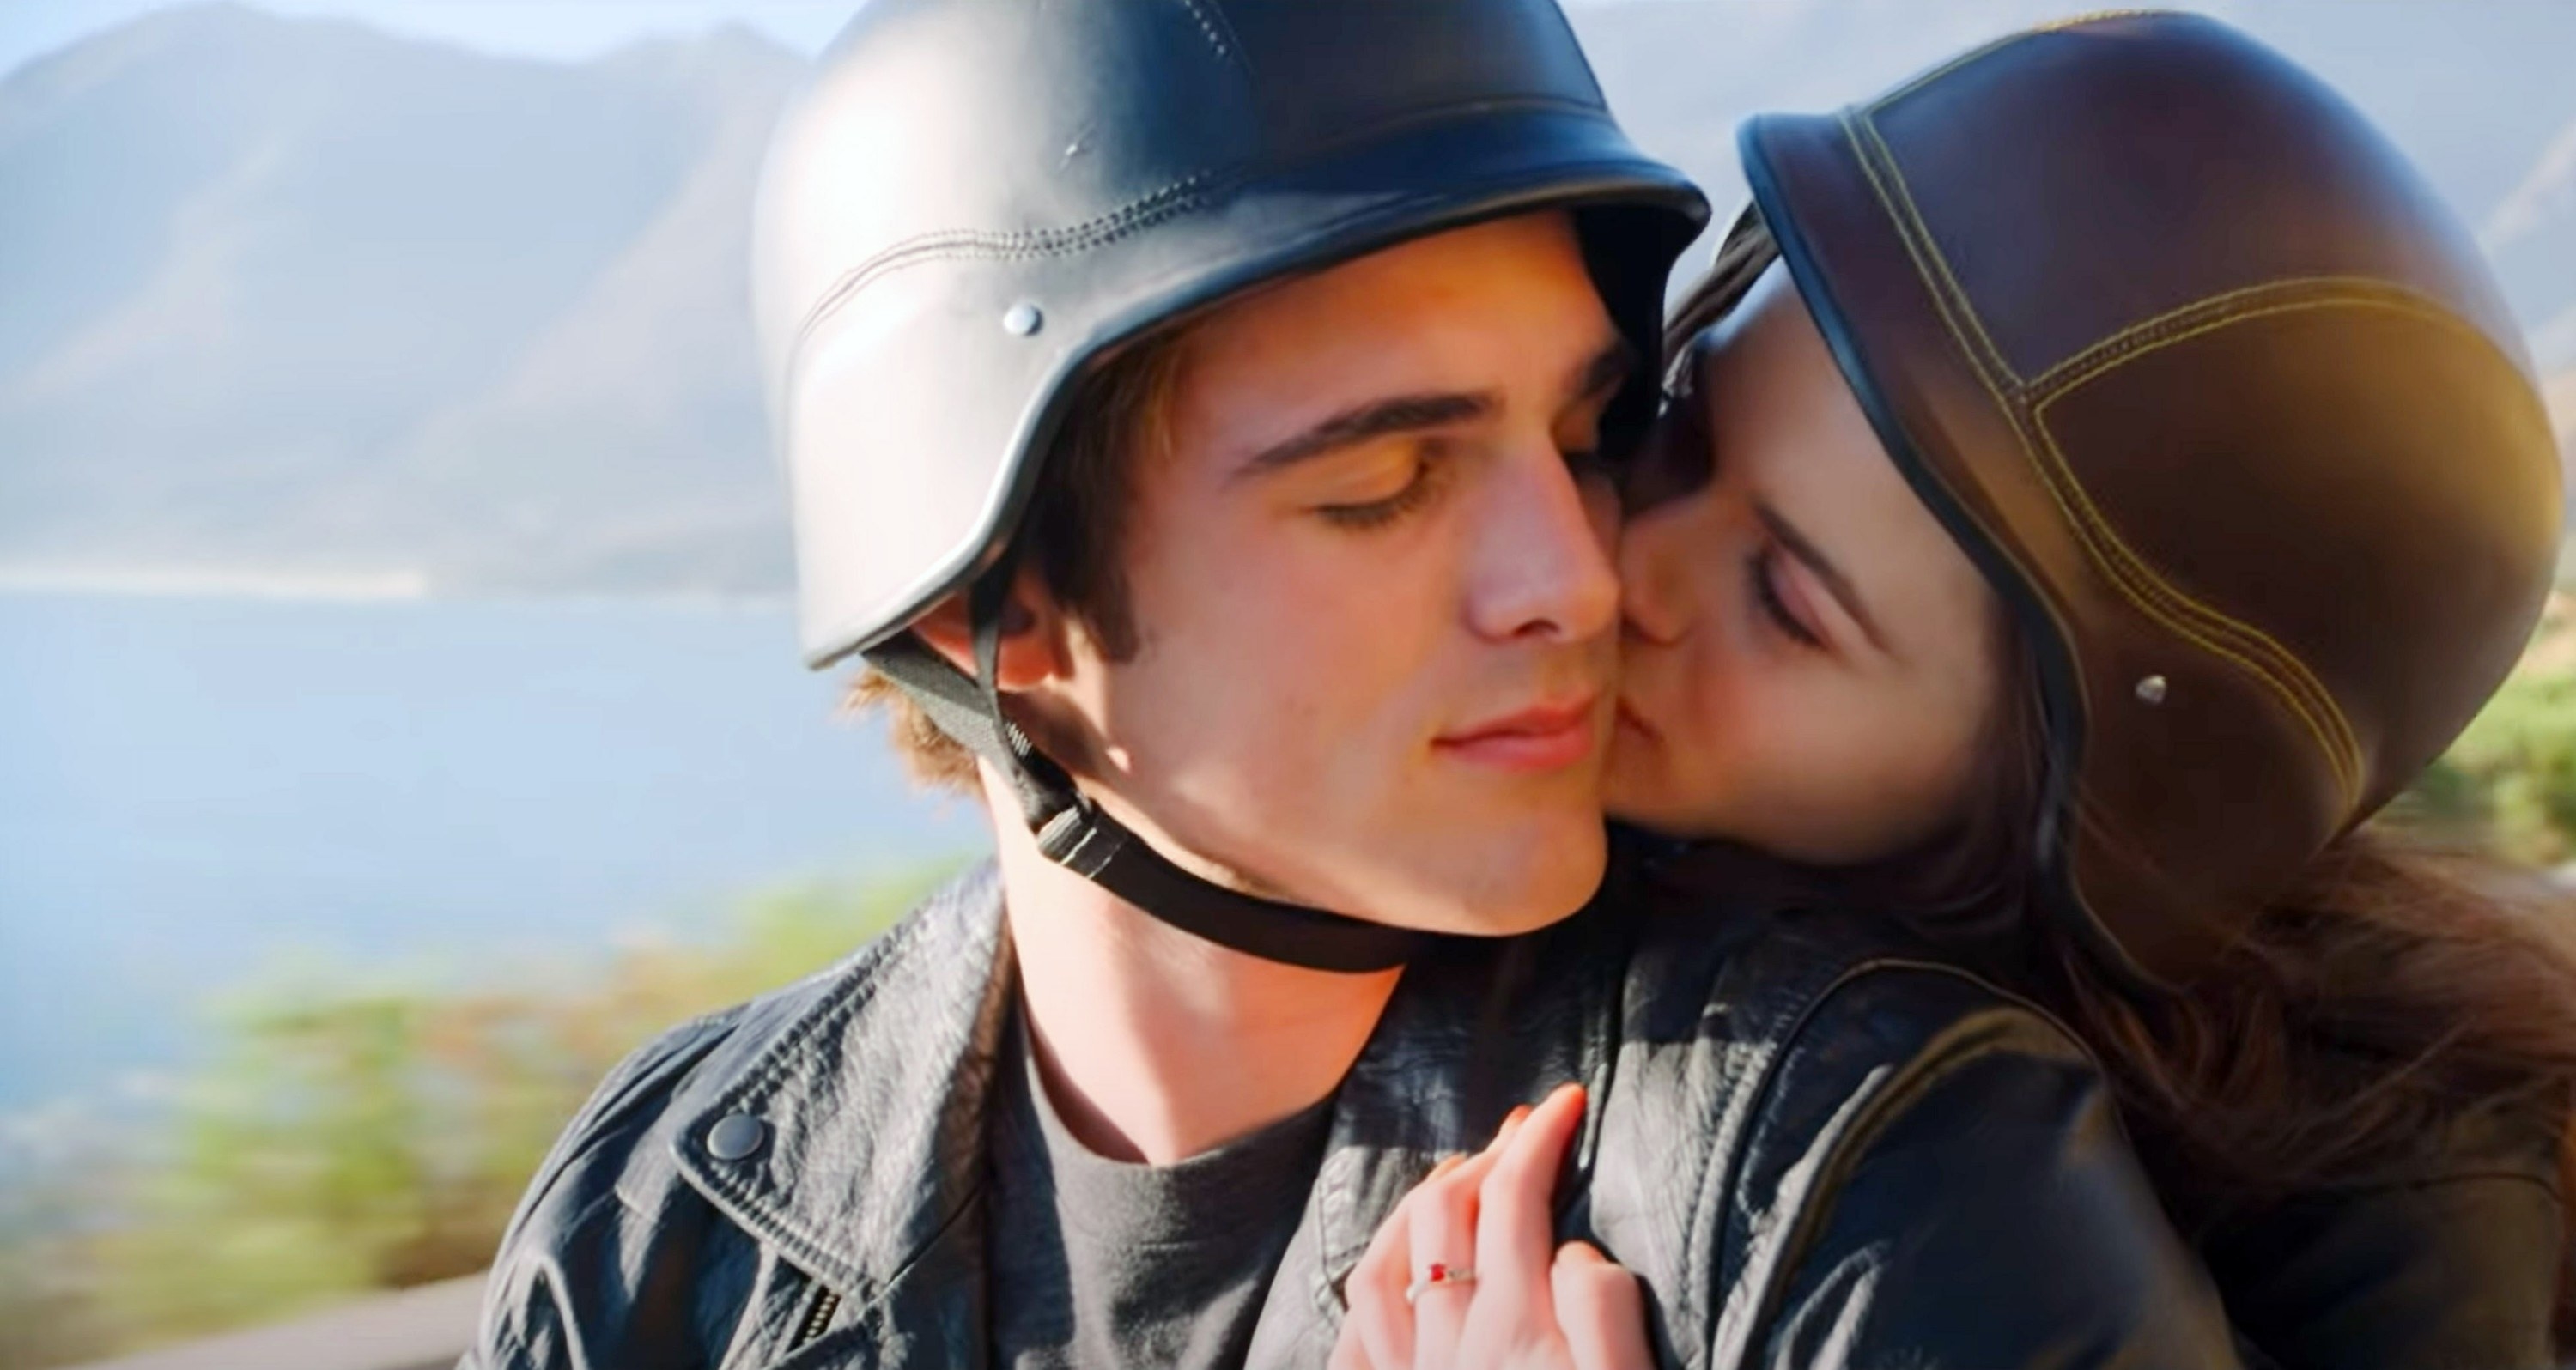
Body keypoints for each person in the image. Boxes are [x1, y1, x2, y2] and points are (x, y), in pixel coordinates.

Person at [464, 3, 2275, 1368]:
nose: (1576, 574)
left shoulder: (1864, 1174)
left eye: (1586, 435)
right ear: (989, 615)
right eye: (1382, 488)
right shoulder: (661, 1235)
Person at [1335, 11, 2575, 1370]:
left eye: (1788, 605)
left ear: (2045, 814)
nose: (1609, 571)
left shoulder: (2387, 1259)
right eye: (1683, 427)